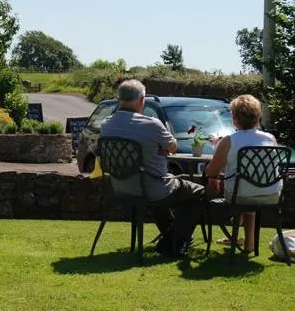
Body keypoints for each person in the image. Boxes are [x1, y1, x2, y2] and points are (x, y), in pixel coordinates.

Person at [100, 79, 205, 256]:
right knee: (197, 192)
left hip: (121, 188)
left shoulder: (106, 124)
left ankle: (171, 239)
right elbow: (172, 147)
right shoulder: (151, 124)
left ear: (119, 100)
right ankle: (174, 242)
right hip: (152, 188)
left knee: (160, 193)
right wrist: (157, 148)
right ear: (142, 100)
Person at [205, 94, 281, 253]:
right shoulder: (270, 138)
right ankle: (246, 242)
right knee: (248, 186)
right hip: (272, 193)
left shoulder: (229, 140)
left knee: (244, 190)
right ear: (257, 116)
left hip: (241, 194)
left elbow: (211, 171)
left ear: (235, 118)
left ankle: (244, 240)